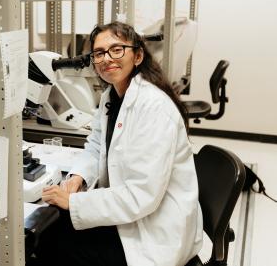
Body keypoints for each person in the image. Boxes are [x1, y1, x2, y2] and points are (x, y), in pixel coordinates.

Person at [35, 21, 203, 266]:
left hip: (155, 233)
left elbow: (142, 195)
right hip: (131, 216)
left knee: (53, 242)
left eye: (117, 49)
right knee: (51, 228)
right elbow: (95, 146)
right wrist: (78, 176)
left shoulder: (154, 108)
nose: (107, 59)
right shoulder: (111, 97)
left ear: (137, 56)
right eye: (99, 53)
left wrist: (72, 201)